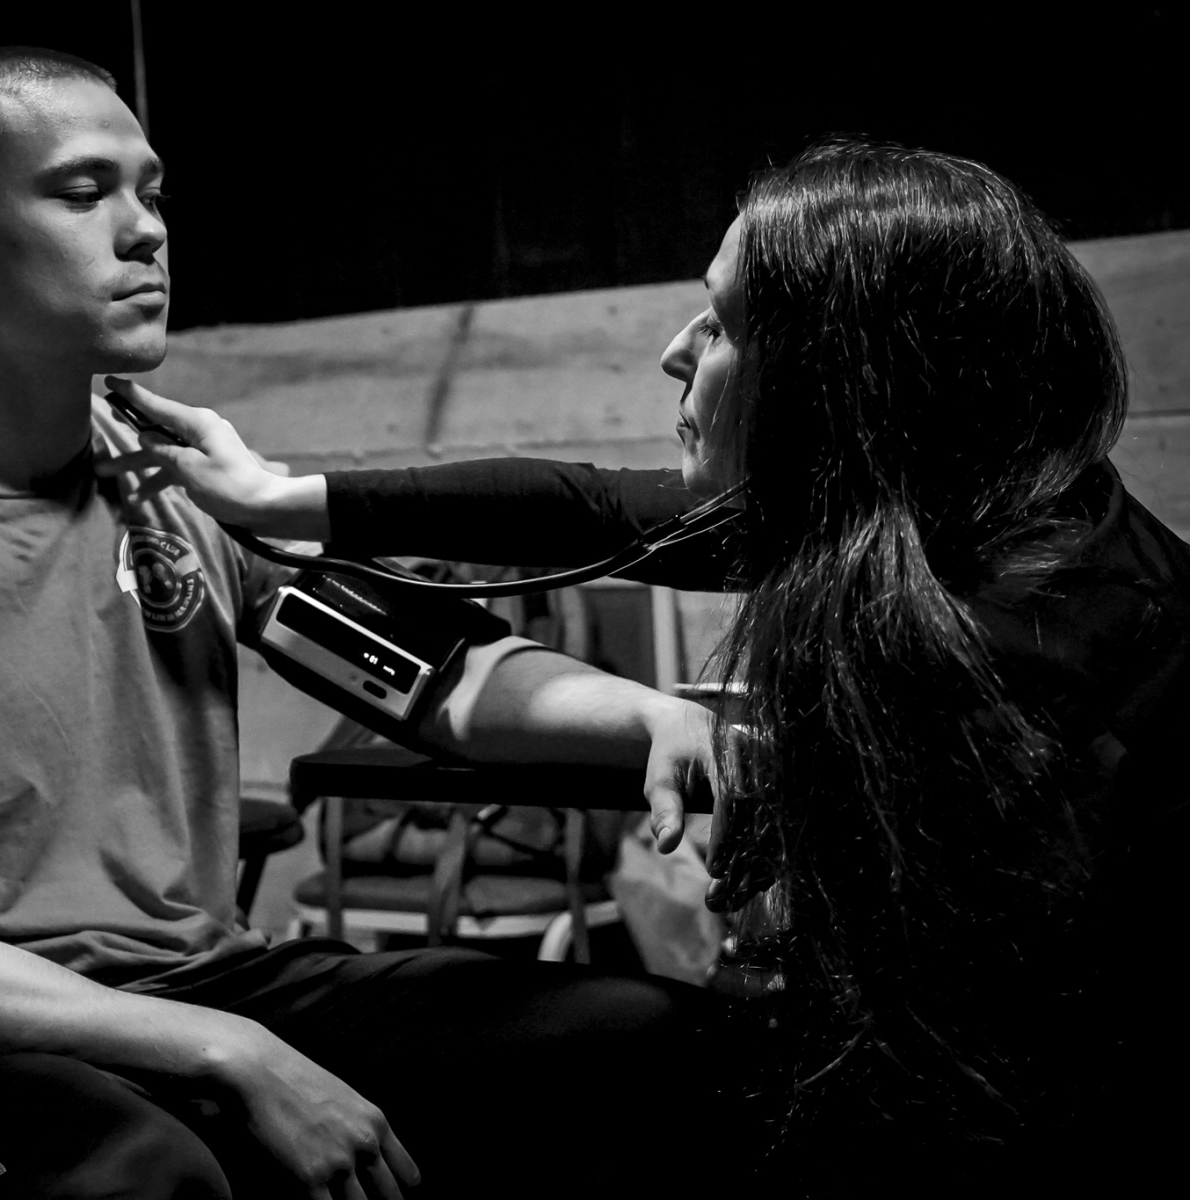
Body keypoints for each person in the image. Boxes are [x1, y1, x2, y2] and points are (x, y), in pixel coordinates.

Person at [0, 46, 742, 1200]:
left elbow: (431, 674)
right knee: (150, 1176)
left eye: (152, 192)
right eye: (83, 192)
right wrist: (232, 1052)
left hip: (195, 984)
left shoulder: (169, 483)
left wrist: (651, 717)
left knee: (653, 1045)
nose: (144, 230)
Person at [101, 140, 1190, 1185]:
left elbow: (977, 1069)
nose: (676, 350)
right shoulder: (957, 495)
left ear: (837, 378)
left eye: (720, 326)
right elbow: (585, 507)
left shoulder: (1013, 656)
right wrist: (283, 498)